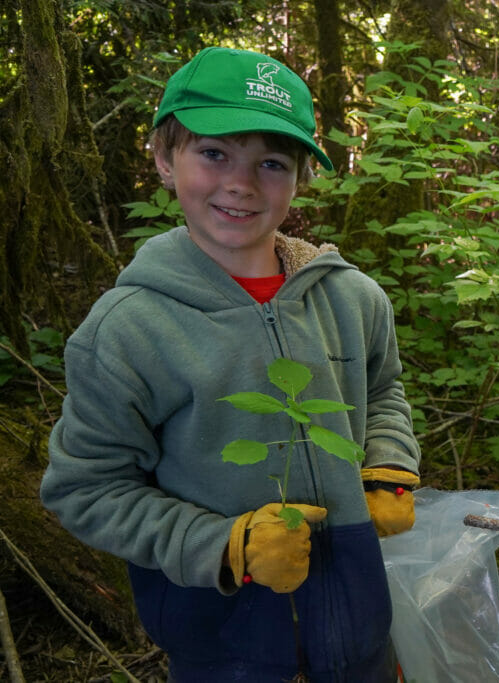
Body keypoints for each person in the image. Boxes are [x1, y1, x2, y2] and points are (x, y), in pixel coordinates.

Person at [39, 46, 421, 682]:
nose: (241, 183)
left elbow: (383, 391)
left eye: (271, 163)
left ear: (300, 178)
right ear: (165, 159)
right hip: (223, 646)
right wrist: (224, 547)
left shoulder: (352, 298)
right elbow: (86, 489)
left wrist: (388, 465)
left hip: (359, 625)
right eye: (214, 153)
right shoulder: (127, 330)